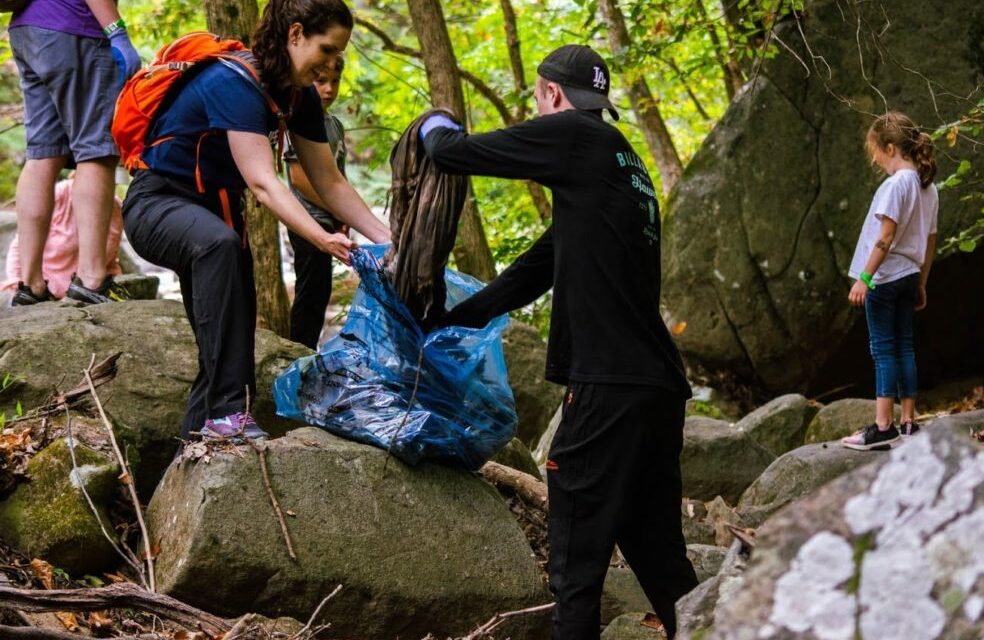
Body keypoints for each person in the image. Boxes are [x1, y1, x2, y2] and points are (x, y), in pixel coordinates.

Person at [420, 45, 698, 639]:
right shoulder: (620, 159)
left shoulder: (573, 135)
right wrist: (454, 319)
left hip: (609, 384)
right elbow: (534, 270)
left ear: (550, 94)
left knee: (574, 557)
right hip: (655, 385)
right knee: (657, 551)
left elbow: (454, 155)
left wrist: (435, 125)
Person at [120, 0, 390, 443]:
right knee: (218, 247)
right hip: (156, 204)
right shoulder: (233, 82)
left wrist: (388, 238)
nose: (331, 64)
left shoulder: (298, 96)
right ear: (296, 34)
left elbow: (329, 181)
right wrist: (321, 238)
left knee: (230, 337)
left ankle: (195, 446)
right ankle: (227, 418)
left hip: (218, 217)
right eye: (327, 50)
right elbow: (263, 182)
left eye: (339, 55)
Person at [8, 0, 140, 305]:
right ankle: (92, 279)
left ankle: (30, 284)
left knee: (42, 154)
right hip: (75, 27)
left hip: (26, 30)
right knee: (96, 151)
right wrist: (116, 31)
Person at [841, 111, 938, 451]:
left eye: (876, 152)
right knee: (905, 346)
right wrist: (922, 282)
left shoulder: (896, 185)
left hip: (885, 277)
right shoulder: (929, 188)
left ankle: (883, 427)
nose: (875, 160)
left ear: (892, 147)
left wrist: (864, 278)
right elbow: (930, 241)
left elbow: (885, 236)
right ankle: (909, 422)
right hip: (910, 275)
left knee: (883, 350)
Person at [283, 54, 348, 349]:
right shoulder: (298, 120)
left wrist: (344, 217)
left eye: (335, 81)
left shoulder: (334, 125)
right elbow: (300, 178)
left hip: (329, 222)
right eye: (321, 81)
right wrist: (336, 208)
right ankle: (299, 350)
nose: (329, 89)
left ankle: (307, 349)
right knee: (310, 291)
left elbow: (338, 177)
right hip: (307, 223)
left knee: (320, 291)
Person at [4, 174, 124, 299]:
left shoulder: (116, 207)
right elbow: (20, 246)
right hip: (46, 292)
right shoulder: (59, 194)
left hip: (91, 291)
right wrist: (18, 283)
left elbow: (110, 258)